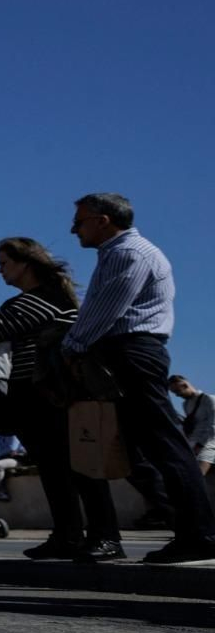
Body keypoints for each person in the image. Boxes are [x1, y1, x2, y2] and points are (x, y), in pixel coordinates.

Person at [64, 193, 215, 563]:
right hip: (129, 351)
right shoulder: (120, 253)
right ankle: (190, 529)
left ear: (103, 220)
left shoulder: (128, 254)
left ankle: (199, 533)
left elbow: (104, 309)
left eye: (80, 221)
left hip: (132, 351)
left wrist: (71, 344)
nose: (73, 229)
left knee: (164, 442)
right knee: (144, 446)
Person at [169, 376, 213, 476]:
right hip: (193, 441)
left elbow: (213, 427)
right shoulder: (186, 404)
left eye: (178, 391)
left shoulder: (209, 399)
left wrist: (200, 445)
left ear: (185, 385)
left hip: (208, 444)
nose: (177, 395)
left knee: (197, 477)